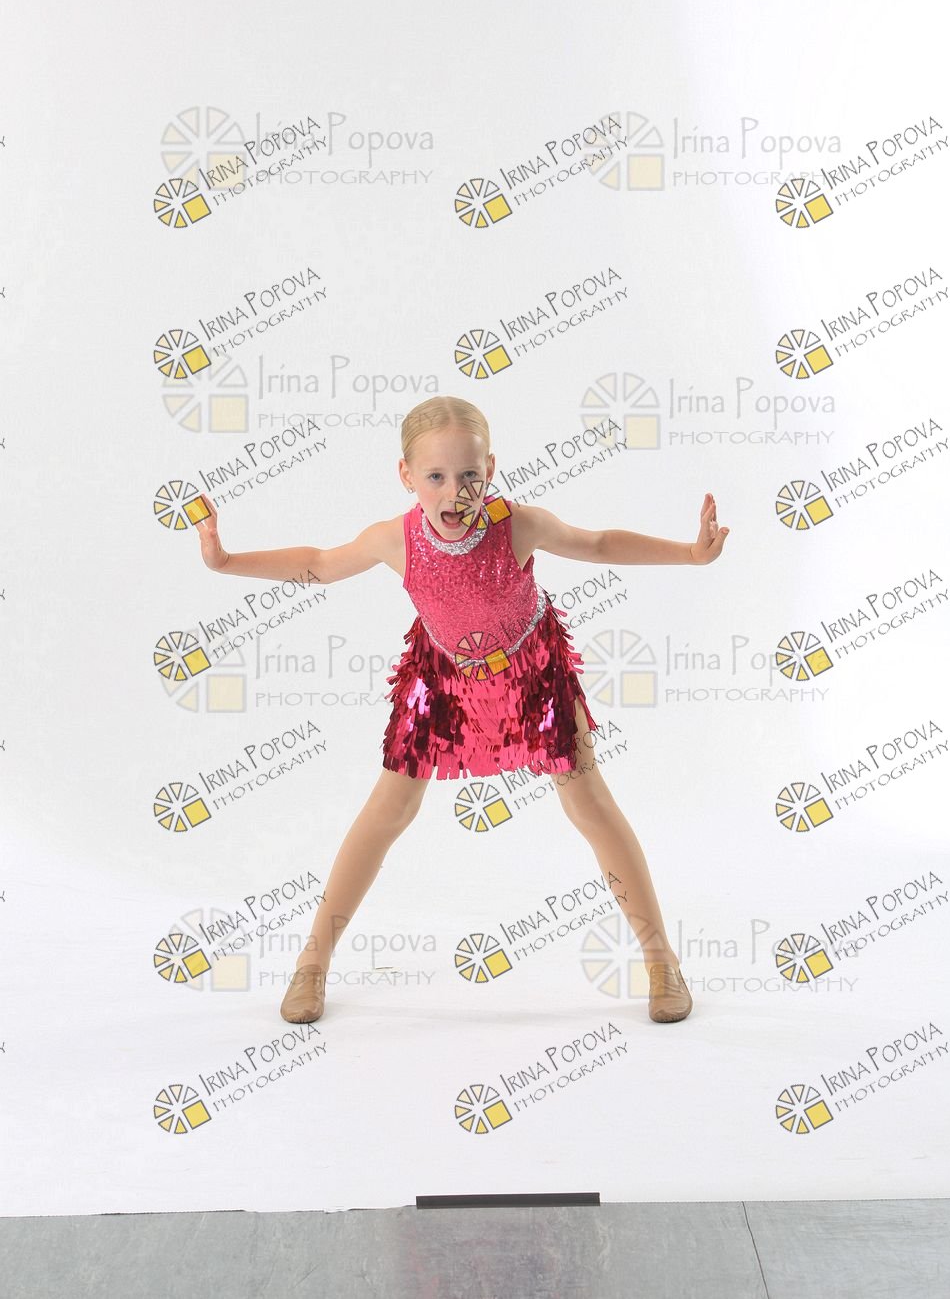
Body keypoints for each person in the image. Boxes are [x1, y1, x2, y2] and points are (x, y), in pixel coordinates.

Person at [194, 396, 730, 1027]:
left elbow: (598, 542)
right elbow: (318, 563)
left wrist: (689, 553)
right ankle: (313, 962)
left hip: (533, 673)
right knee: (388, 810)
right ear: (406, 476)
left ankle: (661, 961)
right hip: (442, 681)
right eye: (436, 476)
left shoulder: (517, 525)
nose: (456, 492)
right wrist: (225, 562)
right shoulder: (393, 539)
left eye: (470, 475)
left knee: (589, 804)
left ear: (491, 470)